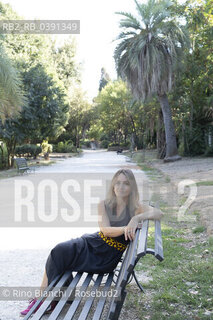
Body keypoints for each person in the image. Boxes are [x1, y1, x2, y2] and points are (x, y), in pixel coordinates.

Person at [20, 168, 163, 316]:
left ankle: (45, 300)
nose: (121, 187)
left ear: (132, 187)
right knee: (58, 251)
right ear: (113, 185)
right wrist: (127, 227)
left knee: (58, 254)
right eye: (117, 183)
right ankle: (46, 298)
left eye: (126, 183)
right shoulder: (104, 204)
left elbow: (159, 213)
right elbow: (106, 230)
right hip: (93, 243)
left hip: (104, 257)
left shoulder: (135, 208)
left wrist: (136, 218)